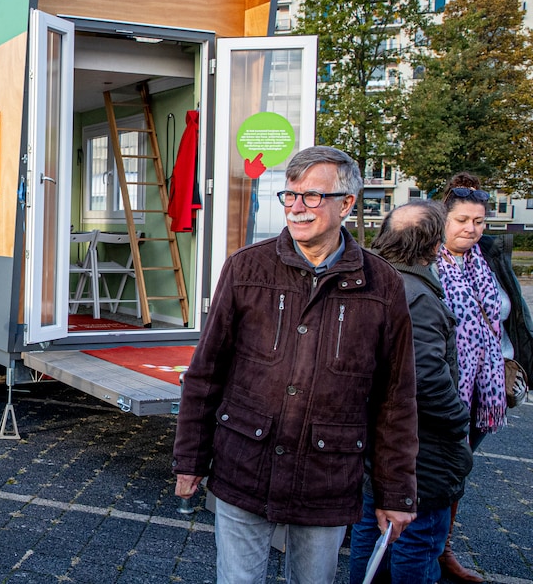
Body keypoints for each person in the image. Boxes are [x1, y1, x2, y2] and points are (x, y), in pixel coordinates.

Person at [172, 145, 419, 583]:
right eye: (290, 195)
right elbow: (206, 373)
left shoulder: (382, 285)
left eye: (312, 196)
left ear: (347, 204)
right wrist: (190, 460)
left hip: (326, 476)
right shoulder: (247, 268)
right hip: (244, 462)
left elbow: (396, 398)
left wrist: (396, 492)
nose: (298, 207)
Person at [348, 201, 472, 583]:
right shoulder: (415, 295)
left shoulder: (370, 282)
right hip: (419, 449)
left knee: (370, 534)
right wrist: (459, 419)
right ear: (435, 247)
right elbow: (426, 380)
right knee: (415, 544)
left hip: (376, 442)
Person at [433, 172, 533, 582]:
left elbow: (514, 317)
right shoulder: (426, 260)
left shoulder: (488, 258)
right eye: (462, 220)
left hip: (487, 389)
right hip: (444, 388)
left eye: (478, 221)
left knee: (459, 471)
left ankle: (442, 549)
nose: (471, 229)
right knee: (436, 471)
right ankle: (421, 548)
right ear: (442, 220)